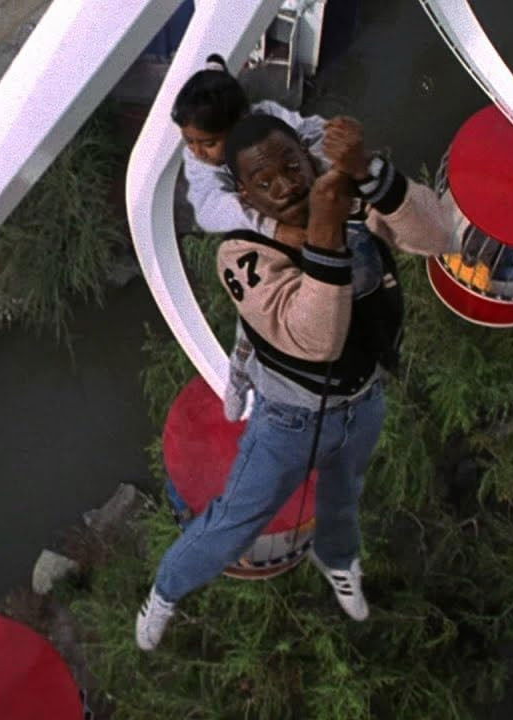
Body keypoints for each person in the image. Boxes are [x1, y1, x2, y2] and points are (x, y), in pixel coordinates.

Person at [136, 113, 457, 651]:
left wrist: (369, 172)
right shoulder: (243, 255)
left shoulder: (352, 205)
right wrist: (327, 233)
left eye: (292, 166)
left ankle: (338, 561)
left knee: (342, 495)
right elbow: (315, 340)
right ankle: (165, 591)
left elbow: (438, 235)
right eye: (264, 182)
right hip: (291, 417)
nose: (285, 186)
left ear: (311, 161)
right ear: (246, 198)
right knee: (237, 521)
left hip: (363, 396)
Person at [172, 54, 327, 421]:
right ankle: (239, 381)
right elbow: (208, 209)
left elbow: (315, 131)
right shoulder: (202, 161)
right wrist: (272, 227)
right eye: (190, 142)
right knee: (255, 318)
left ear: (241, 123)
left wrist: (320, 166)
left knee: (316, 297)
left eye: (207, 142)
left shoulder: (268, 120)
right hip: (260, 236)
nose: (196, 152)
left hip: (304, 214)